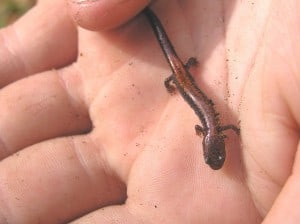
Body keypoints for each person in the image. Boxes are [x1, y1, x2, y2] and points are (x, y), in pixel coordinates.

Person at [0, 0, 299, 223]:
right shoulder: (212, 130)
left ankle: (157, 29)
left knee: (179, 69)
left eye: (214, 155)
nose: (216, 156)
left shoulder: (214, 129)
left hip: (184, 77)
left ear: (214, 139)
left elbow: (218, 127)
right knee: (175, 64)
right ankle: (152, 19)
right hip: (182, 78)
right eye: (216, 155)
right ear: (215, 140)